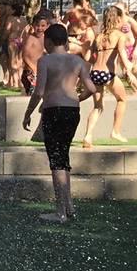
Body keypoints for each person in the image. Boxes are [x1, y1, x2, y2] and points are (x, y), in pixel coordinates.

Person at [22, 24, 97, 223]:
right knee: (63, 158)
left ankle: (60, 212)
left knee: (56, 162)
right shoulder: (77, 60)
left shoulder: (45, 60)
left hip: (52, 111)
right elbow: (91, 89)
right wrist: (76, 99)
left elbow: (38, 92)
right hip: (72, 112)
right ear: (65, 41)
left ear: (47, 41)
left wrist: (28, 113)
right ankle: (69, 205)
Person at [81, 6, 133, 148]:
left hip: (95, 73)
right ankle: (116, 131)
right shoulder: (119, 36)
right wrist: (130, 67)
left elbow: (88, 57)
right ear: (118, 19)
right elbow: (122, 56)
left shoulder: (98, 36)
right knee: (122, 100)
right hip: (107, 74)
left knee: (98, 107)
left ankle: (88, 135)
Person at [20, 12, 51, 96]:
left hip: (41, 72)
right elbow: (24, 55)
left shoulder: (46, 39)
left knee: (43, 94)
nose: (40, 28)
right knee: (33, 95)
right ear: (33, 25)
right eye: (37, 25)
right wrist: (33, 69)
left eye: (43, 26)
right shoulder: (30, 38)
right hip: (30, 72)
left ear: (48, 26)